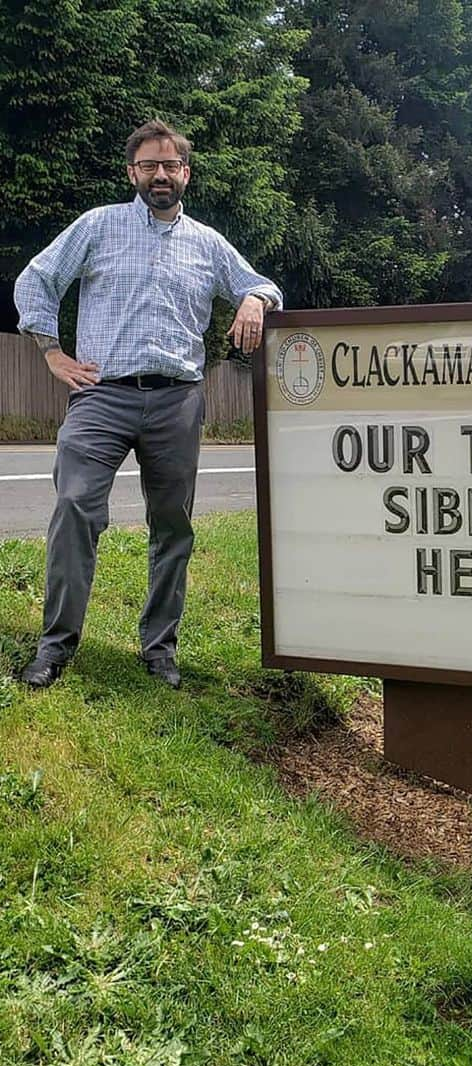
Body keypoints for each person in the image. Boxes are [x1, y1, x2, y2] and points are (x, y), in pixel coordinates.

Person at [13, 119, 283, 690]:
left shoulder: (208, 243)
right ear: (131, 172)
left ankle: (159, 649)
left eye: (171, 165)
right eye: (148, 165)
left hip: (177, 403)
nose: (160, 174)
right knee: (75, 509)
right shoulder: (98, 226)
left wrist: (255, 299)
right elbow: (36, 280)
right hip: (100, 396)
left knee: (173, 527)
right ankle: (55, 646)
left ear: (186, 173)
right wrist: (51, 352)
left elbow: (260, 283)